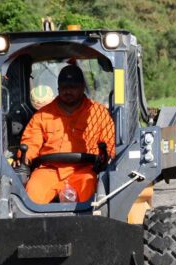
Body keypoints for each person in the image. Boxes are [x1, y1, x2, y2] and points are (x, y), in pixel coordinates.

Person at [20, 64, 115, 204]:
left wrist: (106, 158)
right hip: (49, 170)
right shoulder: (42, 115)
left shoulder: (98, 113)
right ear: (58, 89)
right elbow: (30, 143)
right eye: (64, 87)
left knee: (90, 192)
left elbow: (109, 145)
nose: (68, 91)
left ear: (82, 88)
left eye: (73, 87)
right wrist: (24, 159)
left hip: (85, 170)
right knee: (32, 192)